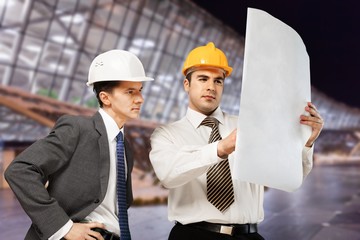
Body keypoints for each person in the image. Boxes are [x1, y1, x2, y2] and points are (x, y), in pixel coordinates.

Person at [149, 42, 324, 240]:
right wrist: (220, 149)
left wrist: (306, 143)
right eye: (203, 79)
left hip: (248, 235)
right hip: (192, 235)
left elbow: (289, 176)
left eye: (218, 81)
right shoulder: (166, 134)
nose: (211, 87)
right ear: (187, 84)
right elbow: (168, 174)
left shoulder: (249, 127)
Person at [5, 49, 154, 240]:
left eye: (140, 90)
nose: (140, 98)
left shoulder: (124, 147)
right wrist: (64, 227)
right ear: (105, 97)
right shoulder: (78, 129)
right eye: (130, 92)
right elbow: (20, 170)